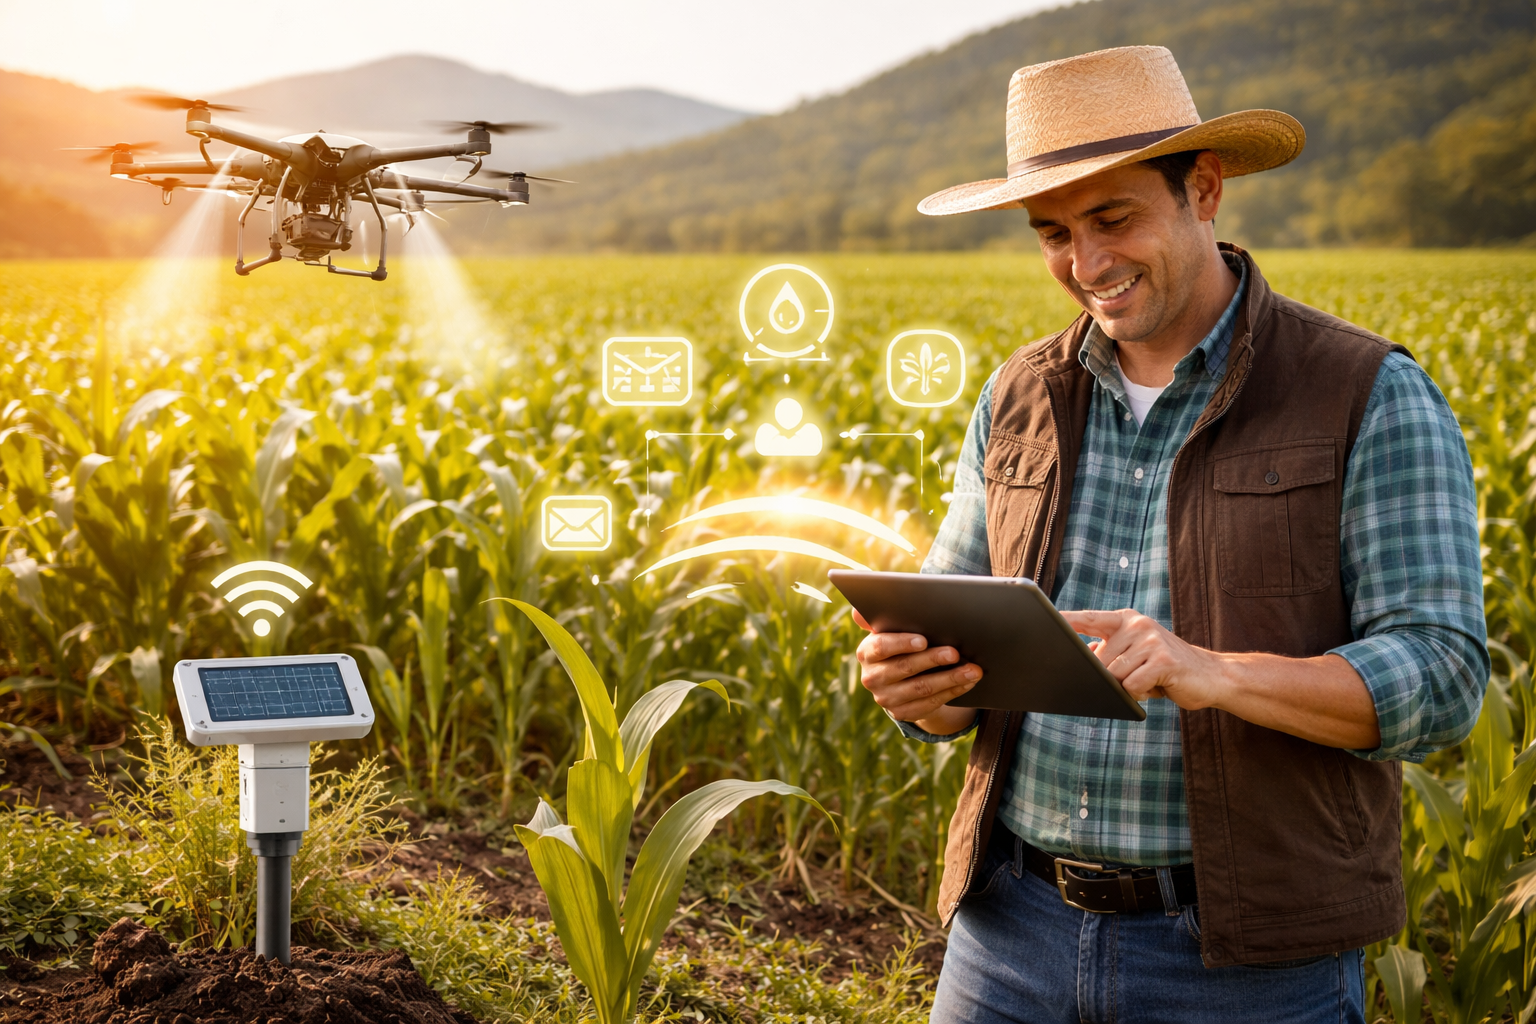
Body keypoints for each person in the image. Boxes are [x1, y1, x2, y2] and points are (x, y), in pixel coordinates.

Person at [854, 45, 1488, 1023]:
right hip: (1009, 931)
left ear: (1205, 189)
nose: (1086, 264)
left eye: (1113, 219)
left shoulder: (1366, 392)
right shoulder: (1018, 394)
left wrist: (1212, 672)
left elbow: (1442, 675)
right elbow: (957, 649)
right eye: (1054, 233)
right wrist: (918, 687)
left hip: (1248, 964)